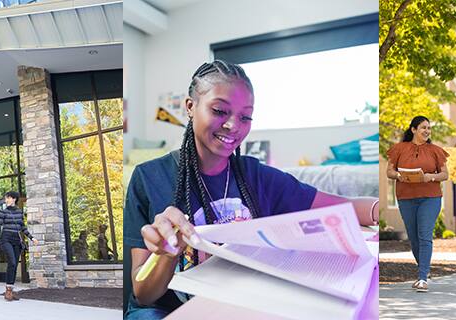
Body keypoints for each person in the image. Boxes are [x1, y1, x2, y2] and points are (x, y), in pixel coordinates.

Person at [123, 60, 377, 319]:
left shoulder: (258, 178)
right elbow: (144, 294)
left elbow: (347, 207)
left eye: (245, 116)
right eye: (220, 110)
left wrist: (381, 211)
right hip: (168, 309)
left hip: (241, 306)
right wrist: (166, 254)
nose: (234, 126)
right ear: (191, 107)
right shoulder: (148, 177)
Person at [385, 115, 448, 293]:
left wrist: (431, 177)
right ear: (413, 130)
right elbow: (389, 171)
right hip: (406, 198)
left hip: (430, 197)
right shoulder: (398, 149)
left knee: (424, 235)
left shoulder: (436, 150)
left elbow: (445, 174)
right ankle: (424, 271)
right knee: (413, 239)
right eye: (423, 128)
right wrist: (398, 175)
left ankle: (422, 278)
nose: (427, 131)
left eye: (429, 128)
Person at [0, 191, 34, 301]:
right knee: (13, 262)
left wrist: (32, 238)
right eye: (6, 198)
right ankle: (8, 291)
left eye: (8, 198)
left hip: (16, 240)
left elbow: (23, 227)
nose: (6, 200)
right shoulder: (3, 212)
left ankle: (10, 289)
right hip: (6, 239)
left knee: (13, 266)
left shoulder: (19, 212)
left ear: (14, 199)